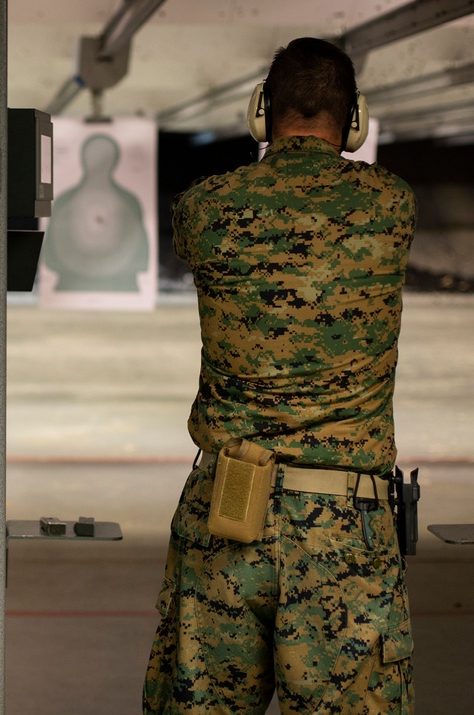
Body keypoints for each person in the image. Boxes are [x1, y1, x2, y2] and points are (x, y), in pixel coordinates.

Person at [144, 38, 416, 713]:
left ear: (260, 114)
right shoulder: (391, 204)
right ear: (354, 122)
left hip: (228, 511)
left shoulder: (207, 207)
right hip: (346, 526)